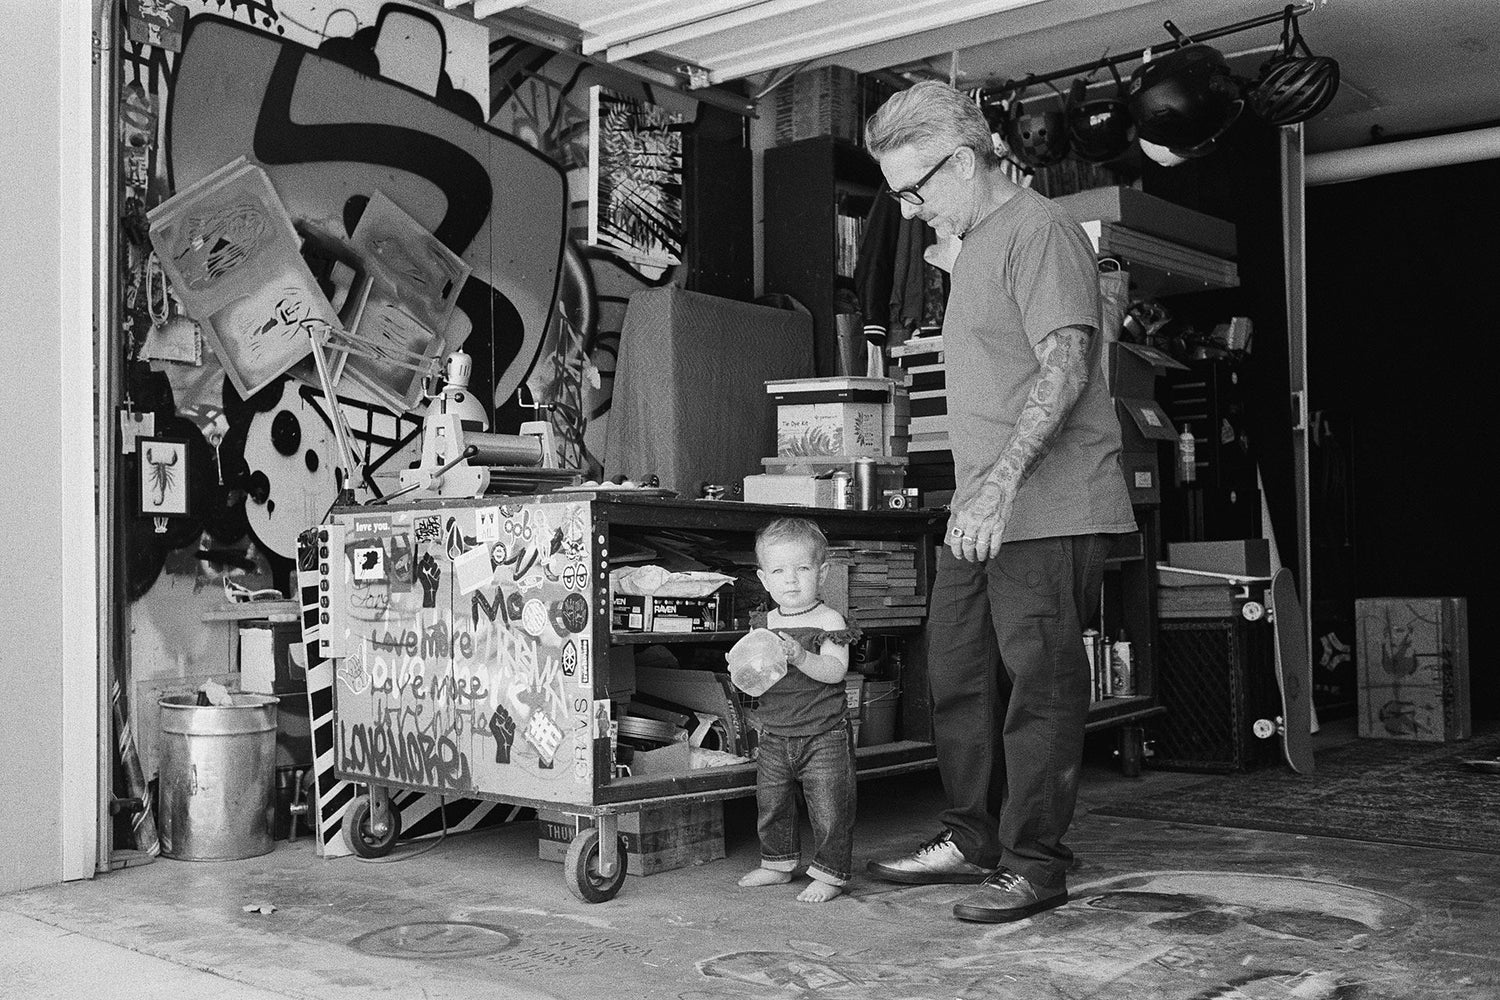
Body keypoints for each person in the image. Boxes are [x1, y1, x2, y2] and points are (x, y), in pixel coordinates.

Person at [862, 81, 1137, 923]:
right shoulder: (971, 241)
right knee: (957, 673)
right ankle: (971, 836)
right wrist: (972, 494)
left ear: (969, 156)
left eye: (917, 188)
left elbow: (1066, 365)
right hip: (984, 508)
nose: (908, 211)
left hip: (1048, 507)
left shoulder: (1041, 231)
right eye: (896, 192)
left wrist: (1002, 482)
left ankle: (1034, 864)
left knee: (1040, 690)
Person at [734, 517, 861, 903]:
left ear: (822, 573)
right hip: (774, 732)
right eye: (778, 571)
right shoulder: (764, 623)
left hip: (823, 734)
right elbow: (753, 673)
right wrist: (739, 664)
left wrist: (802, 655)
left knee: (829, 805)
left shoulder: (829, 621)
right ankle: (777, 862)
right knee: (772, 803)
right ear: (764, 578)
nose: (791, 580)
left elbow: (835, 670)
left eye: (802, 569)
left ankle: (830, 872)